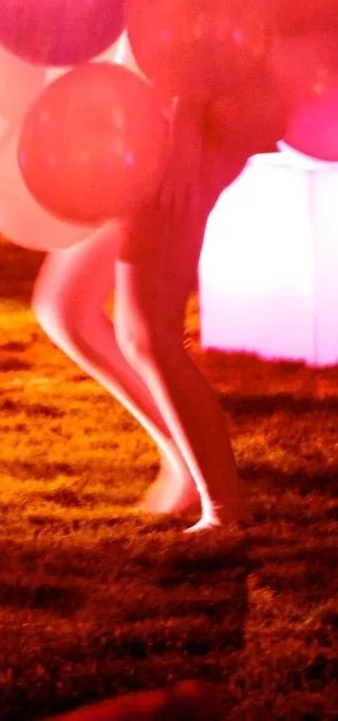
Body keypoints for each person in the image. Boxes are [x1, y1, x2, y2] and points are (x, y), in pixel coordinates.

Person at [31, 95, 264, 533]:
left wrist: (185, 129)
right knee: (66, 306)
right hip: (127, 122)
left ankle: (223, 511)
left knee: (148, 333)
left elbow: (197, 35)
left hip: (181, 135)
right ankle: (185, 461)